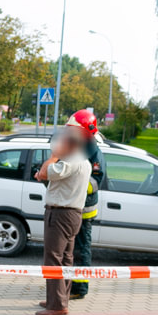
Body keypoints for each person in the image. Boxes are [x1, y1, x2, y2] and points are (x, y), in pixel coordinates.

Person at [34, 125, 91, 315]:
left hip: (60, 215)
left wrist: (55, 156)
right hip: (72, 214)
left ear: (70, 143)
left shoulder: (69, 162)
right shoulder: (82, 161)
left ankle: (57, 306)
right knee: (66, 259)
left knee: (53, 259)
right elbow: (49, 176)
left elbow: (44, 172)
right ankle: (58, 299)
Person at [66, 110, 105, 300]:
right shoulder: (80, 145)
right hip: (74, 206)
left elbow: (97, 180)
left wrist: (77, 185)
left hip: (84, 209)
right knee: (71, 250)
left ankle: (79, 288)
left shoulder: (93, 150)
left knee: (81, 250)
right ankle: (69, 283)